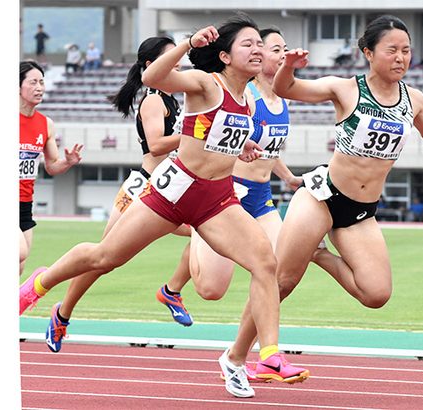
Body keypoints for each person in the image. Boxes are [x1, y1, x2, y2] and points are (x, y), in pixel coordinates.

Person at [19, 13, 307, 399]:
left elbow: (216, 138)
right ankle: (38, 286)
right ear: (224, 56)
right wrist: (188, 44)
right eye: (249, 44)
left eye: (261, 44)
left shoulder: (248, 99)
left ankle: (269, 353)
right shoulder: (206, 82)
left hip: (217, 199)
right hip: (173, 192)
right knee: (105, 257)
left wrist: (245, 146)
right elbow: (153, 79)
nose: (258, 50)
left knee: (265, 263)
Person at [224, 14, 423, 375]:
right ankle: (237, 356)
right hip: (322, 197)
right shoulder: (345, 88)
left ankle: (318, 254)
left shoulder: (413, 99)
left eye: (406, 51)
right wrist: (289, 67)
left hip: (360, 211)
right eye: (392, 50)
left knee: (376, 294)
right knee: (282, 282)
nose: (401, 58)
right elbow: (286, 89)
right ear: (368, 53)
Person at [154, 29, 338, 378]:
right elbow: (210, 133)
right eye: (274, 49)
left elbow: (266, 148)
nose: (282, 55)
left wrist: (287, 176)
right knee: (211, 289)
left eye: (285, 49)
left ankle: (250, 355)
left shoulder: (280, 98)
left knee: (280, 273)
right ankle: (179, 267)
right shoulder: (243, 91)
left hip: (262, 198)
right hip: (225, 194)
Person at [43, 37, 195, 354]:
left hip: (169, 187)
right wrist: (195, 132)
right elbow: (156, 145)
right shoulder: (154, 101)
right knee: (101, 260)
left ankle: (172, 290)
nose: (179, 61)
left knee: (208, 233)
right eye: (172, 56)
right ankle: (62, 313)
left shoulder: (175, 99)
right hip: (143, 188)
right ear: (151, 66)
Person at [19, 61, 83, 276]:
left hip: (25, 202)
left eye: (42, 82)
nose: (40, 87)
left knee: (19, 265)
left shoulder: (45, 124)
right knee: (18, 252)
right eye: (33, 82)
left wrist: (68, 162)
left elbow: (52, 166)